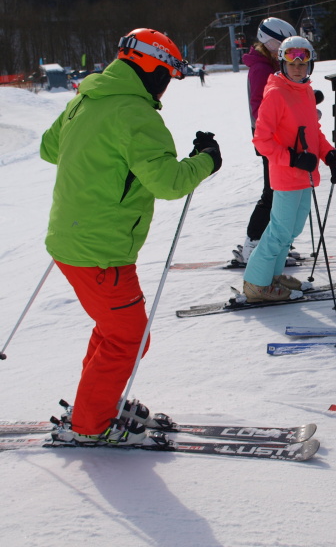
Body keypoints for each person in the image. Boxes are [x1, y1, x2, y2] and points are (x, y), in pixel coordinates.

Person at [40, 28, 222, 445]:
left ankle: (94, 404)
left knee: (114, 329)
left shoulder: (85, 98)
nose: (165, 86)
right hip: (102, 252)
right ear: (153, 69)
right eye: (166, 76)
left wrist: (99, 158)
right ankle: (91, 424)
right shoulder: (137, 114)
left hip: (70, 242)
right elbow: (169, 182)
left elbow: (51, 149)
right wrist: (206, 160)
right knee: (129, 337)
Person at [242, 36, 336, 302]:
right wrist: (293, 158)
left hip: (305, 175)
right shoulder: (276, 93)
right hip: (286, 174)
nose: (297, 67)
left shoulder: (306, 90)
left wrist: (328, 154)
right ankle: (255, 284)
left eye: (302, 62)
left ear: (310, 64)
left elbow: (313, 132)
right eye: (291, 62)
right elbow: (261, 140)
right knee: (278, 232)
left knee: (291, 231)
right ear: (282, 63)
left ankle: (272, 276)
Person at [231, 17, 298, 267]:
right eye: (281, 45)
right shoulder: (261, 68)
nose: (285, 50)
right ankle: (253, 244)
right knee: (272, 193)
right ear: (269, 42)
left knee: (280, 193)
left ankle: (273, 243)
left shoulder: (271, 65)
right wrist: (287, 118)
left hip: (278, 136)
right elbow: (260, 108)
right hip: (269, 139)